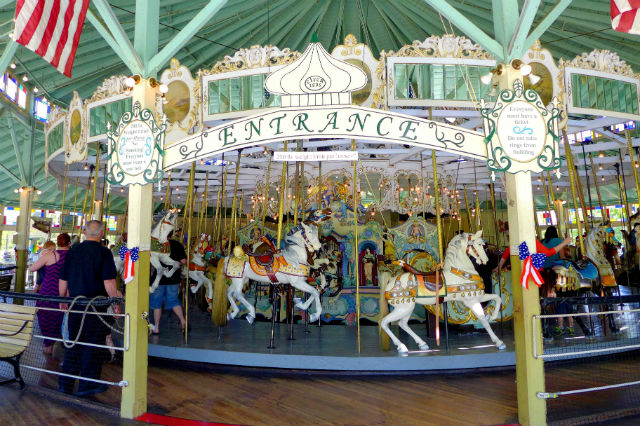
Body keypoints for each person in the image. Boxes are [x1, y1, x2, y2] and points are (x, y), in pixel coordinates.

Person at [58, 221, 121, 396]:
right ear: (102, 233)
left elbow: (63, 279)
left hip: (76, 305)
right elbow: (108, 281)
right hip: (96, 307)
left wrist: (62, 299)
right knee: (93, 346)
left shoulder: (73, 251)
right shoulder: (104, 252)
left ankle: (65, 384)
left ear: (84, 232)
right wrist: (115, 303)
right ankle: (88, 385)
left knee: (74, 343)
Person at [30, 234, 71, 355]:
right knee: (61, 318)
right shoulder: (73, 256)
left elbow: (32, 268)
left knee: (45, 316)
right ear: (69, 243)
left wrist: (44, 255)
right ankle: (59, 345)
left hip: (48, 290)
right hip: (66, 292)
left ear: (57, 243)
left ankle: (48, 344)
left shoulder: (50, 255)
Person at [150, 231, 187, 334]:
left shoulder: (157, 245)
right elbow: (183, 261)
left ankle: (157, 327)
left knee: (157, 304)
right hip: (173, 278)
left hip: (158, 279)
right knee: (174, 301)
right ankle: (183, 321)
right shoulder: (177, 244)